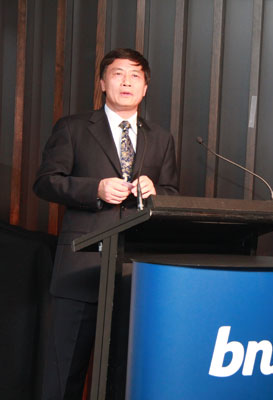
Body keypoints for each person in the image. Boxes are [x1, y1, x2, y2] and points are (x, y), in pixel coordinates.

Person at [34, 48, 178, 399]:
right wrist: (94, 189)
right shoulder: (73, 128)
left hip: (135, 276)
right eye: (117, 74)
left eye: (135, 76)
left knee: (125, 379)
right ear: (102, 83)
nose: (127, 82)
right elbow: (45, 182)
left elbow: (172, 193)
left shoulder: (161, 138)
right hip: (80, 270)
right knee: (63, 377)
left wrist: (156, 192)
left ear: (145, 88)